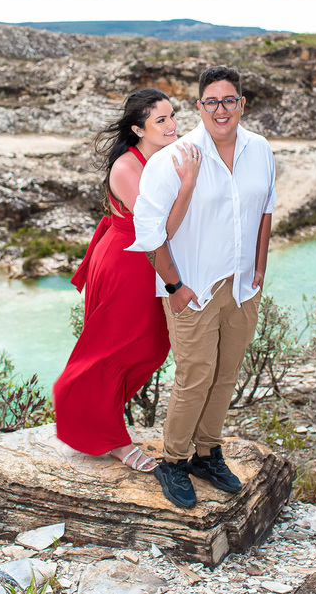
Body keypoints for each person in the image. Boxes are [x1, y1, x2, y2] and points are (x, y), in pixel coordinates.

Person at [128, 66, 275, 507]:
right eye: (211, 101)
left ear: (242, 104)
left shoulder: (260, 150)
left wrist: (259, 268)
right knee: (195, 375)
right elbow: (149, 230)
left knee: (226, 372)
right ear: (199, 107)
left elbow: (266, 208)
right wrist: (174, 286)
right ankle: (173, 462)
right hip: (192, 287)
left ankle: (207, 453)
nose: (221, 109)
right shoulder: (174, 158)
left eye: (229, 100)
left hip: (242, 286)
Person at [53, 89, 202, 472]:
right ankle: (105, 432)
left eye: (173, 116)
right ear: (138, 128)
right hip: (125, 262)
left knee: (153, 346)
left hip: (151, 262)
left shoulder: (165, 155)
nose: (172, 125)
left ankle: (95, 417)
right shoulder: (126, 167)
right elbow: (158, 230)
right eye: (161, 120)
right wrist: (187, 184)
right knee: (114, 348)